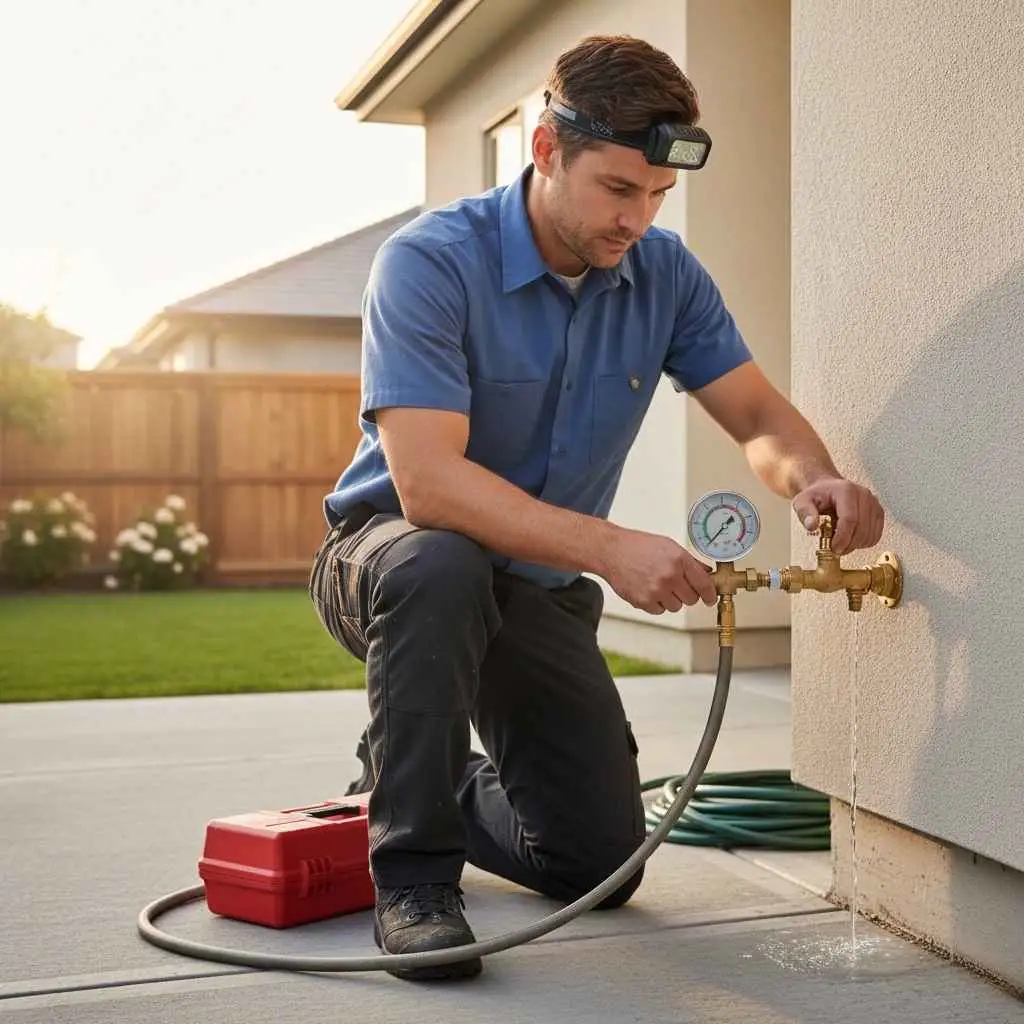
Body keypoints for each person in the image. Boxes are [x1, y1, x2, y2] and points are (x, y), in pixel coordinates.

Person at [308, 34, 885, 983]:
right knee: (441, 561)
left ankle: (415, 770)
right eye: (620, 190)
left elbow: (755, 415)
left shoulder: (665, 275)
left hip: (532, 586)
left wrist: (810, 477)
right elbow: (429, 487)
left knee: (597, 861)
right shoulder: (427, 264)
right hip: (389, 561)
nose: (641, 217)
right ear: (545, 150)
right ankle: (414, 877)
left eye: (658, 195)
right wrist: (612, 548)